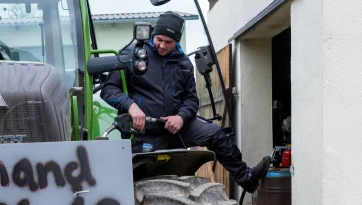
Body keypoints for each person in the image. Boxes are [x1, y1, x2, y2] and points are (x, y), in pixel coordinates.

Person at [100, 11, 271, 193]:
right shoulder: (132, 55)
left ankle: (247, 178)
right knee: (146, 184)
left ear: (177, 41)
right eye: (159, 39)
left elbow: (191, 100)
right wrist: (131, 106)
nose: (162, 46)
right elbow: (108, 90)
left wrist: (181, 117)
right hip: (146, 132)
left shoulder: (183, 63)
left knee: (217, 134)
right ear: (153, 35)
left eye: (169, 42)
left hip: (177, 127)